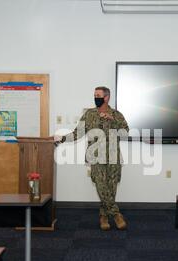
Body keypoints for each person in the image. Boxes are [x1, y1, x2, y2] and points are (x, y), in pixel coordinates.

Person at [55, 86, 129, 231]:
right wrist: (62, 138)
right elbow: (77, 133)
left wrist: (113, 120)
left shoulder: (117, 114)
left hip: (113, 157)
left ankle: (104, 216)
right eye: (94, 95)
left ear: (106, 97)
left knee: (111, 188)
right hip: (95, 157)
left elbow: (125, 133)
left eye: (98, 95)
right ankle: (116, 214)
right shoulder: (89, 114)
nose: (96, 97)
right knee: (101, 186)